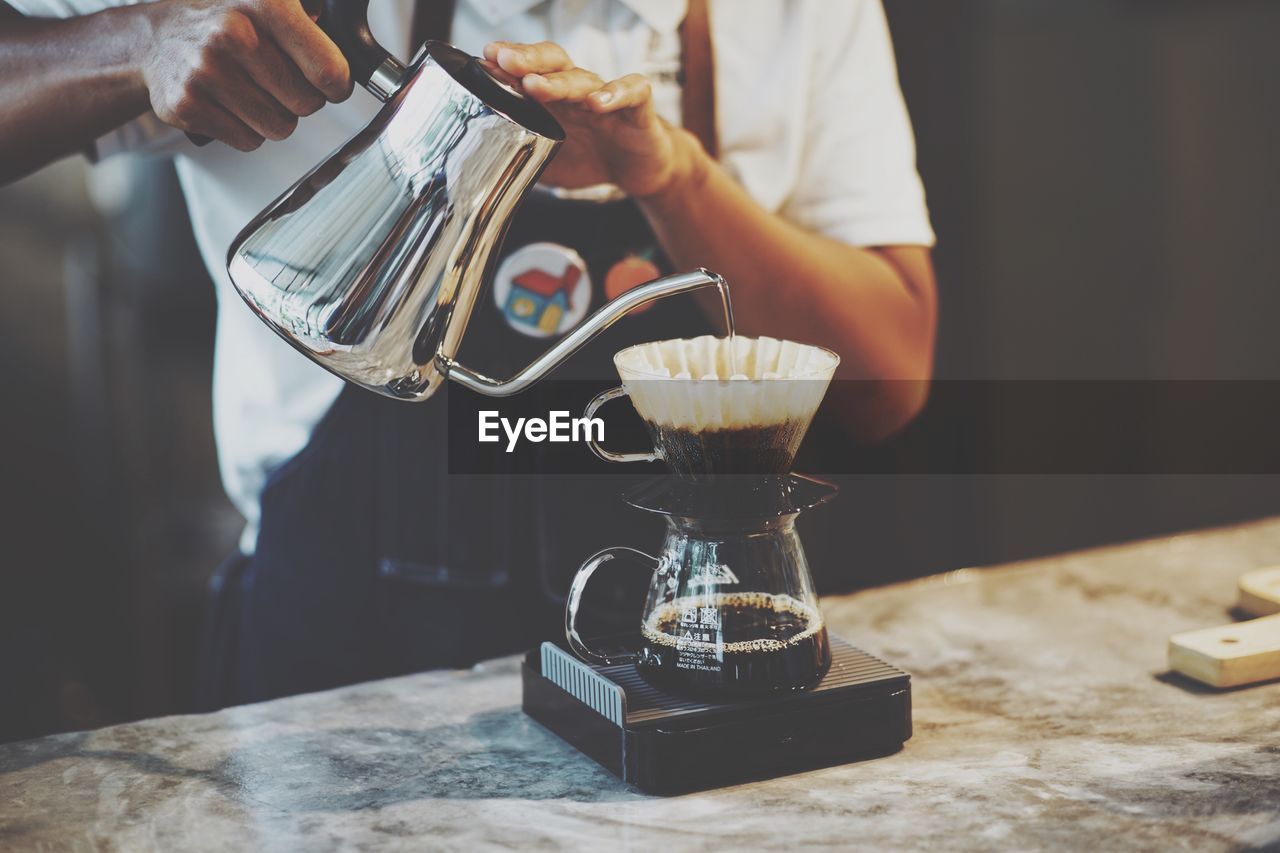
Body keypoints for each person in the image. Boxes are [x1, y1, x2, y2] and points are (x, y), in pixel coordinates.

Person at [0, 0, 936, 707]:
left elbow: (886, 380)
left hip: (691, 666)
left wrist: (673, 179)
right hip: (340, 685)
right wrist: (140, 44)